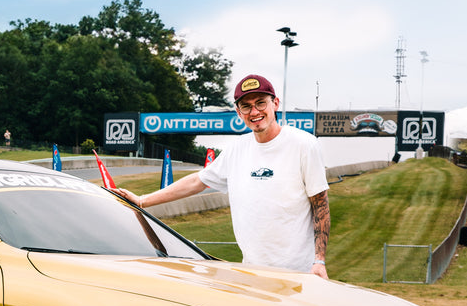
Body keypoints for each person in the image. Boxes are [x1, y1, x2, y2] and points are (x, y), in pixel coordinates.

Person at [115, 74, 330, 278]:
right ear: (238, 112)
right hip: (252, 272)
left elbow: (320, 204)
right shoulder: (236, 150)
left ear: (275, 104)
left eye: (260, 103)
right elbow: (197, 182)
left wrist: (319, 261)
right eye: (246, 106)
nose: (254, 111)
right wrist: (143, 201)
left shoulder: (304, 145)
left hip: (298, 274)